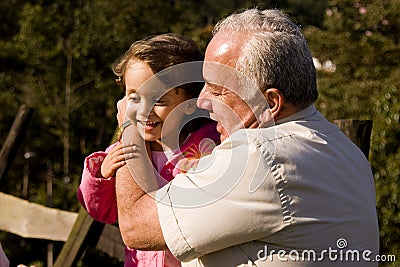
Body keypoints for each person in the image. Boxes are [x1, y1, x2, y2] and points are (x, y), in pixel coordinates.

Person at [115, 8, 379, 266]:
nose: (203, 100)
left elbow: (137, 225)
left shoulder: (258, 155)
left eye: (218, 90)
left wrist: (130, 125)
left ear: (270, 102)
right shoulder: (345, 149)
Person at [77, 33, 220, 267]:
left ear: (190, 103)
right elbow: (102, 212)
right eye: (134, 97)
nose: (144, 110)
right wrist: (101, 175)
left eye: (160, 100)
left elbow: (181, 211)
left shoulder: (206, 146)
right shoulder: (122, 151)